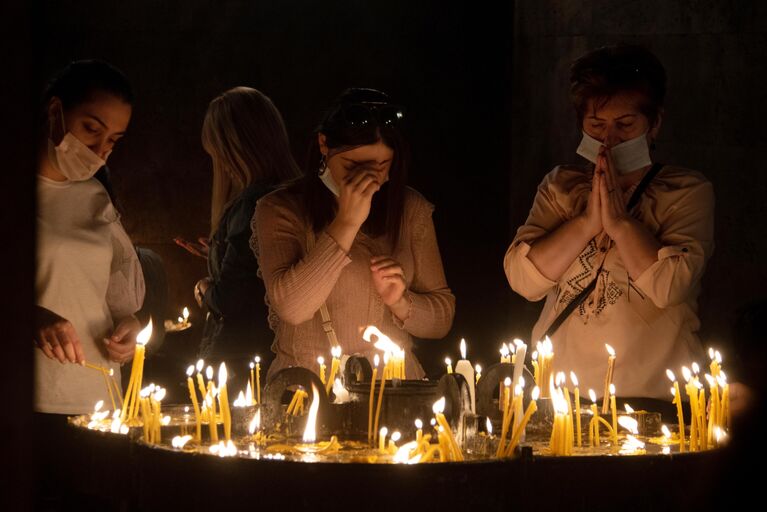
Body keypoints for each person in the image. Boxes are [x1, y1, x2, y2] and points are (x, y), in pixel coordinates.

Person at [504, 44, 715, 401]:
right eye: (596, 125)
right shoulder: (561, 185)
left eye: (625, 124)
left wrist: (619, 223)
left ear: (654, 123)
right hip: (559, 396)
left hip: (651, 397)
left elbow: (668, 287)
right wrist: (587, 222)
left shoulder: (685, 191)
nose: (609, 139)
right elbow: (523, 279)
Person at [252, 87, 455, 381]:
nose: (368, 179)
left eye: (381, 165)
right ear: (324, 145)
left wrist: (400, 301)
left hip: (393, 393)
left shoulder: (410, 209)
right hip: (307, 392)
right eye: (353, 166)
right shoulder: (280, 208)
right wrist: (347, 222)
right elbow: (292, 307)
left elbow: (442, 320)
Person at [33, 59, 145, 507]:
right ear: (55, 111)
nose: (100, 149)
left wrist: (130, 328)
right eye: (91, 129)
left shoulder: (96, 195)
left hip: (98, 398)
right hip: (33, 400)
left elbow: (119, 295)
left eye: (113, 140)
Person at [175, 87, 301, 365]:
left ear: (235, 150)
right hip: (284, 351)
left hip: (242, 356)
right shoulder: (297, 195)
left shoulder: (252, 203)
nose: (223, 168)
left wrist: (204, 288)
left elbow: (231, 300)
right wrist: (220, 253)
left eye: (219, 155)